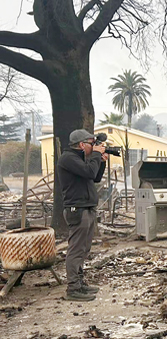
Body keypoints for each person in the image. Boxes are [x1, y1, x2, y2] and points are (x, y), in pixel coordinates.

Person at [58, 129, 107, 301]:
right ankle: (73, 288)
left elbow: (95, 177)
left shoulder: (80, 159)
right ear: (81, 144)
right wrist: (94, 156)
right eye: (91, 144)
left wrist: (100, 161)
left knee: (83, 249)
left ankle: (79, 283)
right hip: (77, 209)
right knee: (76, 250)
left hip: (86, 208)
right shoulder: (68, 158)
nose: (94, 147)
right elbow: (88, 172)